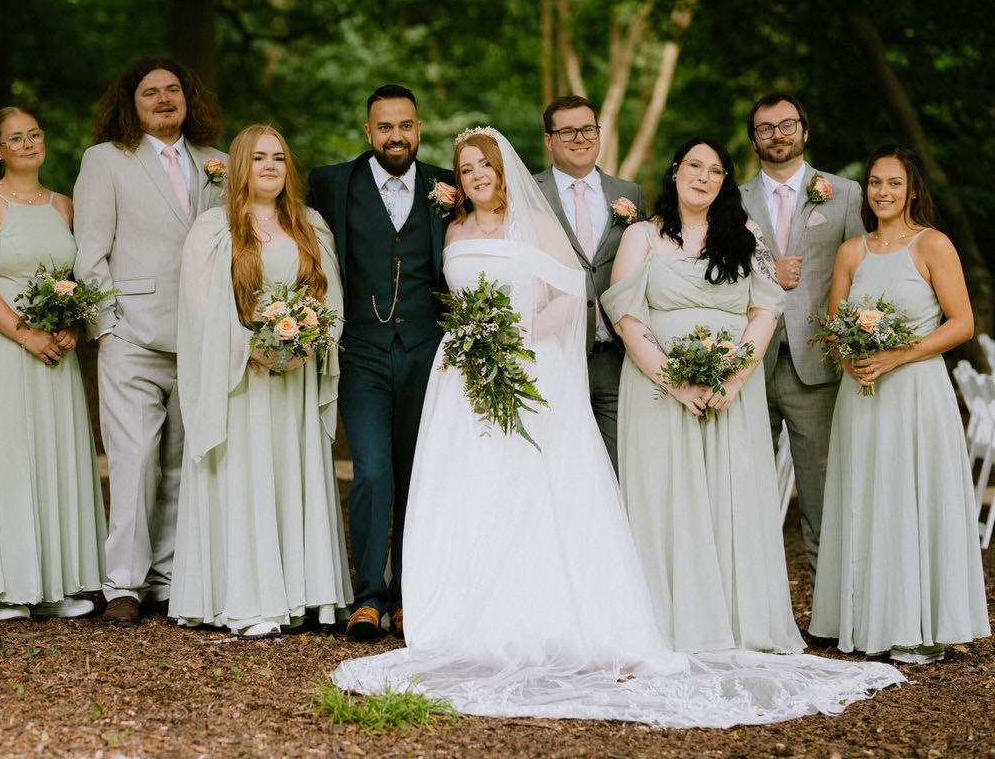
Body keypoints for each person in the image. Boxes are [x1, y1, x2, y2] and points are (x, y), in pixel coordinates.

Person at [333, 128, 904, 726]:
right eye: (466, 166)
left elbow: (573, 292)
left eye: (486, 164)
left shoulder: (540, 225)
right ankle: (462, 605)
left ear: (505, 172)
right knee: (467, 491)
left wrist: (518, 338)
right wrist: (477, 346)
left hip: (527, 367)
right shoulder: (449, 230)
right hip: (465, 377)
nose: (476, 173)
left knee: (537, 491)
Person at [603, 138, 803, 653]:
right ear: (674, 172)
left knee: (731, 495)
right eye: (694, 166)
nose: (703, 177)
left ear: (724, 183)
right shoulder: (641, 235)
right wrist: (674, 380)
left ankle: (738, 623)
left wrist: (734, 376)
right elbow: (627, 316)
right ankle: (669, 623)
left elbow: (764, 309)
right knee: (667, 496)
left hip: (733, 390)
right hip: (657, 389)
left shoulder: (747, 236)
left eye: (716, 171)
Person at [809, 145, 989, 663]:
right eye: (873, 182)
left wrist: (894, 356)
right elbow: (834, 325)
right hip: (862, 395)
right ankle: (861, 620)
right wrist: (853, 362)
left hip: (916, 393)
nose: (881, 192)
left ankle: (917, 624)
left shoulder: (933, 245)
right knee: (865, 496)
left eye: (892, 183)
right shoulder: (851, 251)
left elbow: (961, 324)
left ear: (912, 189)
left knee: (912, 496)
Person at [170, 125, 351, 638]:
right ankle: (249, 601)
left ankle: (298, 596)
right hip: (240, 381)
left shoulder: (310, 225)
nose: (269, 166)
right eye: (258, 158)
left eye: (278, 157)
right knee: (246, 476)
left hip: (294, 379)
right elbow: (201, 309)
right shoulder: (213, 229)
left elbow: (329, 296)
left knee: (289, 472)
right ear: (239, 167)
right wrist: (254, 347)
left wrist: (306, 344)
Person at [74, 57, 228, 627]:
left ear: (189, 99)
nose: (164, 100)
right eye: (149, 93)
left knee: (186, 461)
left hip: (201, 337)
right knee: (134, 460)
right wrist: (105, 327)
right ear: (130, 104)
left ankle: (168, 577)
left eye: (172, 91)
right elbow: (90, 252)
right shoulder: (105, 161)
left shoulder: (220, 163)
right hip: (132, 335)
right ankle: (124, 584)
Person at [0, 107, 107, 620]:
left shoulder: (65, 205)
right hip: (0, 348)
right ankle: (2, 588)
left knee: (51, 456)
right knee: (5, 456)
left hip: (54, 355)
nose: (29, 143)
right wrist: (25, 334)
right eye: (16, 138)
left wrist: (75, 324)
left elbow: (82, 275)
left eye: (35, 134)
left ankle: (53, 585)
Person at [307, 85, 453, 639]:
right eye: (385, 127)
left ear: (419, 128)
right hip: (361, 349)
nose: (396, 136)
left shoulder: (448, 184)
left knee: (418, 475)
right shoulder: (331, 183)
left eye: (406, 126)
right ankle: (367, 595)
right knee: (370, 471)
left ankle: (408, 596)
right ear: (368, 133)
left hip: (428, 350)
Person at [739, 94, 864, 583]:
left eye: (786, 124)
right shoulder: (733, 198)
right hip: (749, 363)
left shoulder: (846, 192)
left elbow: (862, 274)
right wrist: (766, 270)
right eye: (765, 128)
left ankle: (832, 605)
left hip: (818, 363)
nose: (777, 134)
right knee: (745, 489)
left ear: (804, 131)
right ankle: (751, 606)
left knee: (822, 492)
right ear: (754, 139)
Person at [533, 95, 646, 469]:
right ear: (549, 140)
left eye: (587, 129)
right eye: (567, 131)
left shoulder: (629, 194)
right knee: (561, 466)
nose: (579, 138)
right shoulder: (527, 194)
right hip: (555, 353)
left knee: (620, 467)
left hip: (616, 355)